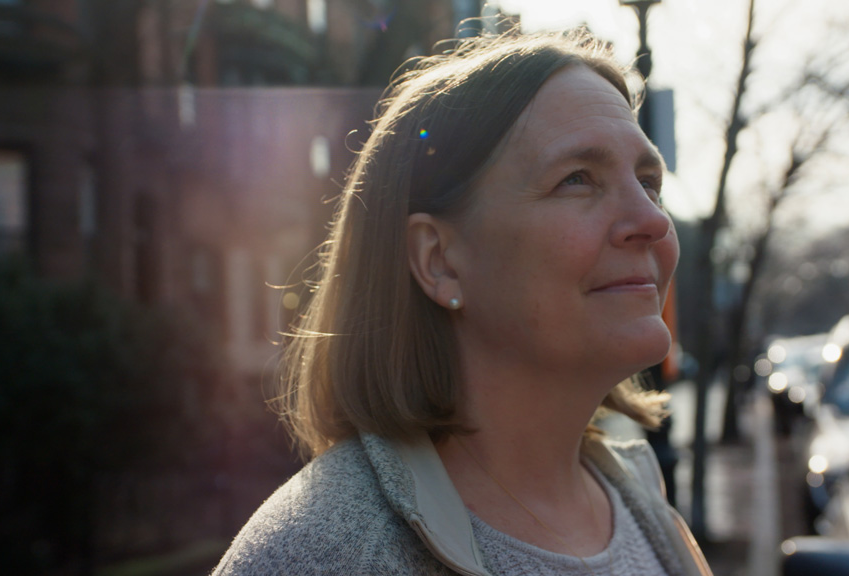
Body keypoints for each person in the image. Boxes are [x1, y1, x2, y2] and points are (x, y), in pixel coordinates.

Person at [214, 28, 711, 576]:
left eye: (648, 182)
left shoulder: (641, 504)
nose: (652, 220)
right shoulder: (323, 552)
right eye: (577, 179)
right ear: (439, 260)